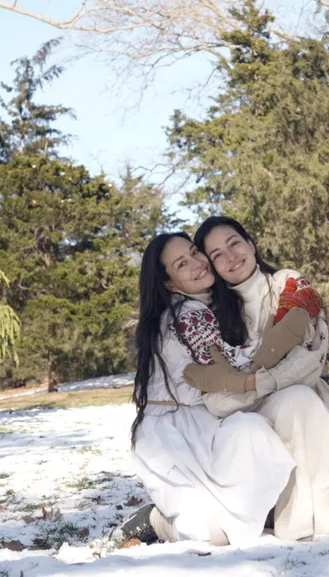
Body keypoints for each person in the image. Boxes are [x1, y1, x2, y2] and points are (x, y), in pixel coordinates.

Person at [180, 215, 329, 540]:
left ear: (251, 244)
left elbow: (310, 358)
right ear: (213, 267)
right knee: (278, 409)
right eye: (217, 255)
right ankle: (289, 515)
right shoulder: (210, 318)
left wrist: (253, 382)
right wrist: (251, 386)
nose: (230, 257)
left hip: (299, 404)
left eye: (234, 244)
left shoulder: (287, 285)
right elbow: (213, 395)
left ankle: (328, 521)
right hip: (247, 419)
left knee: (296, 397)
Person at [111, 231, 298, 548]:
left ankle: (258, 512)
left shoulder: (180, 310)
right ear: (170, 283)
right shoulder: (189, 314)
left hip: (184, 425)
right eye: (182, 264)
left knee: (250, 438)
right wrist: (283, 335)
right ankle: (156, 521)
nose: (197, 263)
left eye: (194, 252)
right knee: (212, 534)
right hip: (179, 435)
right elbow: (231, 365)